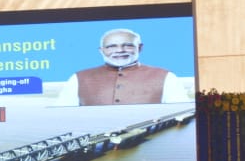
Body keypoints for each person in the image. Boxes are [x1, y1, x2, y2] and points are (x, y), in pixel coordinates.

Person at [57, 29, 191, 106]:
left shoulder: (166, 77)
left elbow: (182, 116)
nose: (120, 50)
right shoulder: (78, 78)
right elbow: (61, 115)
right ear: (101, 51)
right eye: (111, 46)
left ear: (140, 48)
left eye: (128, 45)